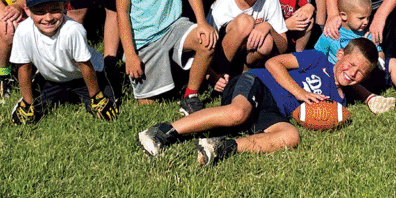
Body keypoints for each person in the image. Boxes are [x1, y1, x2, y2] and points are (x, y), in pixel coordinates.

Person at [136, 38, 378, 165]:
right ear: (339, 55)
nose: (352, 73)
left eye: (360, 73)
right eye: (351, 64)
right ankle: (161, 132)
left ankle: (222, 147)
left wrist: (369, 97)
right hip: (258, 82)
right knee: (237, 114)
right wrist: (299, 93)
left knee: (289, 136)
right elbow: (273, 63)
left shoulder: (338, 104)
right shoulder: (316, 60)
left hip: (275, 110)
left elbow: (313, 115)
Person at [8, 0, 118, 125]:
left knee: (107, 114)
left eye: (54, 10)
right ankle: (51, 95)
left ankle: (102, 87)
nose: (48, 18)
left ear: (65, 6)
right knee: (25, 119)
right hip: (52, 79)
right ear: (27, 9)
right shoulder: (23, 30)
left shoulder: (73, 30)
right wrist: (28, 102)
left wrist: (96, 96)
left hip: (85, 77)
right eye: (40, 12)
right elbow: (24, 66)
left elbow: (84, 64)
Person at [208, 0, 288, 82]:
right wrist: (212, 76)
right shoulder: (221, 7)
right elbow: (206, 49)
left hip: (246, 58)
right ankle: (223, 75)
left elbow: (283, 46)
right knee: (245, 22)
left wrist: (268, 27)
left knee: (267, 42)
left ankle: (245, 73)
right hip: (220, 60)